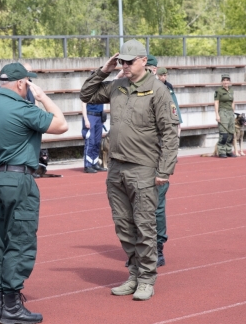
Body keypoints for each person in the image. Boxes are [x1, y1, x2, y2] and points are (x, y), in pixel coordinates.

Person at [80, 39, 179, 301]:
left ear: (144, 61)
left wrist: (164, 170)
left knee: (145, 226)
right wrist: (104, 69)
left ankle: (147, 278)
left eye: (129, 61)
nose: (124, 65)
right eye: (121, 61)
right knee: (124, 225)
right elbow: (86, 95)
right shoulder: (117, 85)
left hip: (144, 168)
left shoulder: (157, 90)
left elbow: (170, 133)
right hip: (117, 167)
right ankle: (134, 274)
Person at [0, 63, 68, 324]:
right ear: (20, 83)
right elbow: (61, 125)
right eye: (28, 82)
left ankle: (0, 303)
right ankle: (12, 306)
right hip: (17, 180)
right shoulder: (23, 108)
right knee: (20, 240)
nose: (29, 86)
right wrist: (42, 97)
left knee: (1, 240)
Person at [154, 66, 183, 267]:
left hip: (156, 159)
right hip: (135, 159)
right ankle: (139, 250)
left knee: (156, 207)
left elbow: (173, 130)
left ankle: (157, 248)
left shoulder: (165, 91)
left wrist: (165, 167)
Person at [81, 101, 107, 173]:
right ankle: (88, 165)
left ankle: (94, 163)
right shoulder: (87, 90)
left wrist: (103, 115)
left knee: (97, 142)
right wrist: (86, 120)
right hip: (90, 115)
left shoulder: (101, 90)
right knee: (90, 141)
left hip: (99, 117)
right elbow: (83, 105)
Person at [214, 73, 235, 158]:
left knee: (231, 133)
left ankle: (228, 150)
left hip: (230, 112)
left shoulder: (231, 90)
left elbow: (233, 102)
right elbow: (216, 102)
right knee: (224, 133)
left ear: (229, 81)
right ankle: (221, 151)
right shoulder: (218, 91)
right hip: (222, 112)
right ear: (221, 81)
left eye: (227, 80)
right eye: (224, 80)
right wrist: (217, 115)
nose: (225, 82)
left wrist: (233, 112)